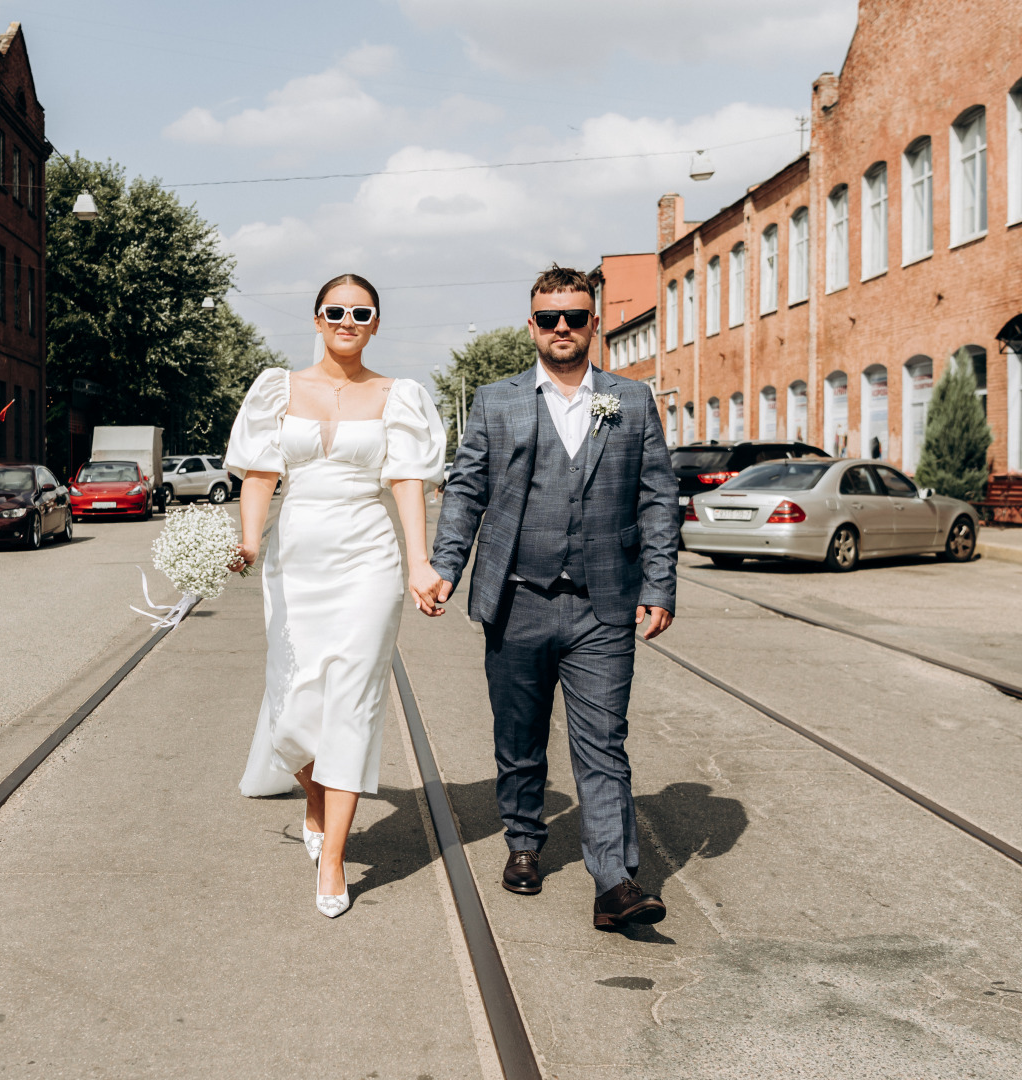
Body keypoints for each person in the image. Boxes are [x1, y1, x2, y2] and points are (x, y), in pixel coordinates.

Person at [417, 264, 680, 931]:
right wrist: (444, 565)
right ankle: (525, 841)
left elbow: (656, 499)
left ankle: (614, 880)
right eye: (548, 318)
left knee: (603, 744)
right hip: (515, 598)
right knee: (519, 738)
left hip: (602, 605)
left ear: (594, 323)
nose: (561, 328)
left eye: (574, 317)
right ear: (530, 324)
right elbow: (466, 490)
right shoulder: (494, 401)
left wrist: (658, 583)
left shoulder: (630, 399)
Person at [225, 274, 446, 919]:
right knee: (291, 704)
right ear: (316, 318)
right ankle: (316, 801)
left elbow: (407, 482)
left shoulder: (398, 395)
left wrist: (419, 562)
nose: (348, 320)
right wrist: (247, 541)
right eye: (336, 310)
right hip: (296, 560)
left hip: (368, 559)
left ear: (376, 323)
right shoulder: (277, 389)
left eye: (362, 312)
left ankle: (332, 859)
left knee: (350, 701)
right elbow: (262, 475)